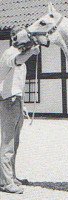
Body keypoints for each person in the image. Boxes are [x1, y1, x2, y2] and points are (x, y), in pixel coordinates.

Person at [0, 27, 40, 194]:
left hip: (16, 101)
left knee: (15, 143)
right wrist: (32, 52)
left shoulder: (21, 54)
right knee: (7, 143)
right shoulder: (10, 53)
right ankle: (6, 182)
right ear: (15, 38)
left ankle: (11, 176)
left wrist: (22, 105)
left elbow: (17, 83)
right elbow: (18, 60)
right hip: (8, 101)